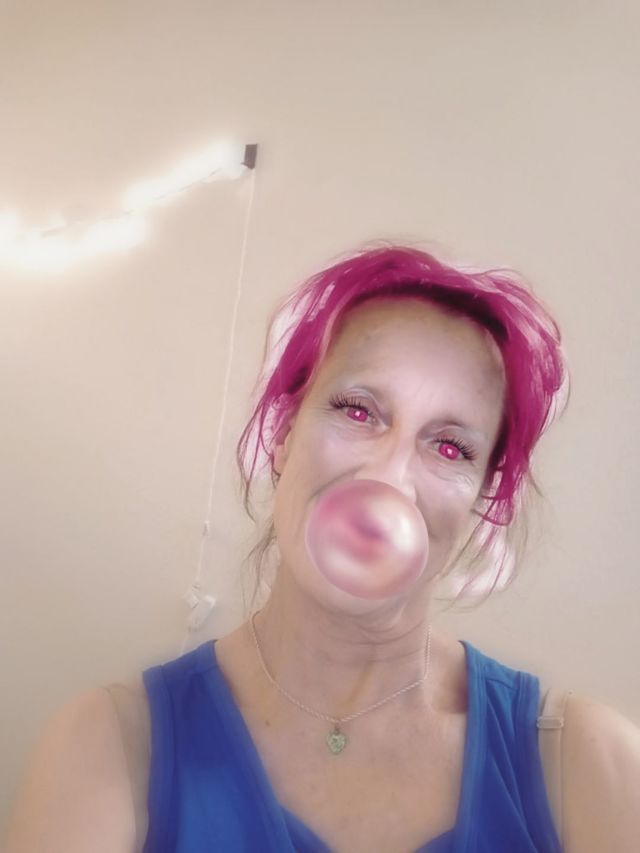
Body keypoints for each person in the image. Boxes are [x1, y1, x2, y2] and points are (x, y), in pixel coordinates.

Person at [4, 245, 640, 853]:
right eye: (358, 410)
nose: (388, 478)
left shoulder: (589, 766)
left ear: (480, 497)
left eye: (450, 447)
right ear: (283, 433)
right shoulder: (107, 748)